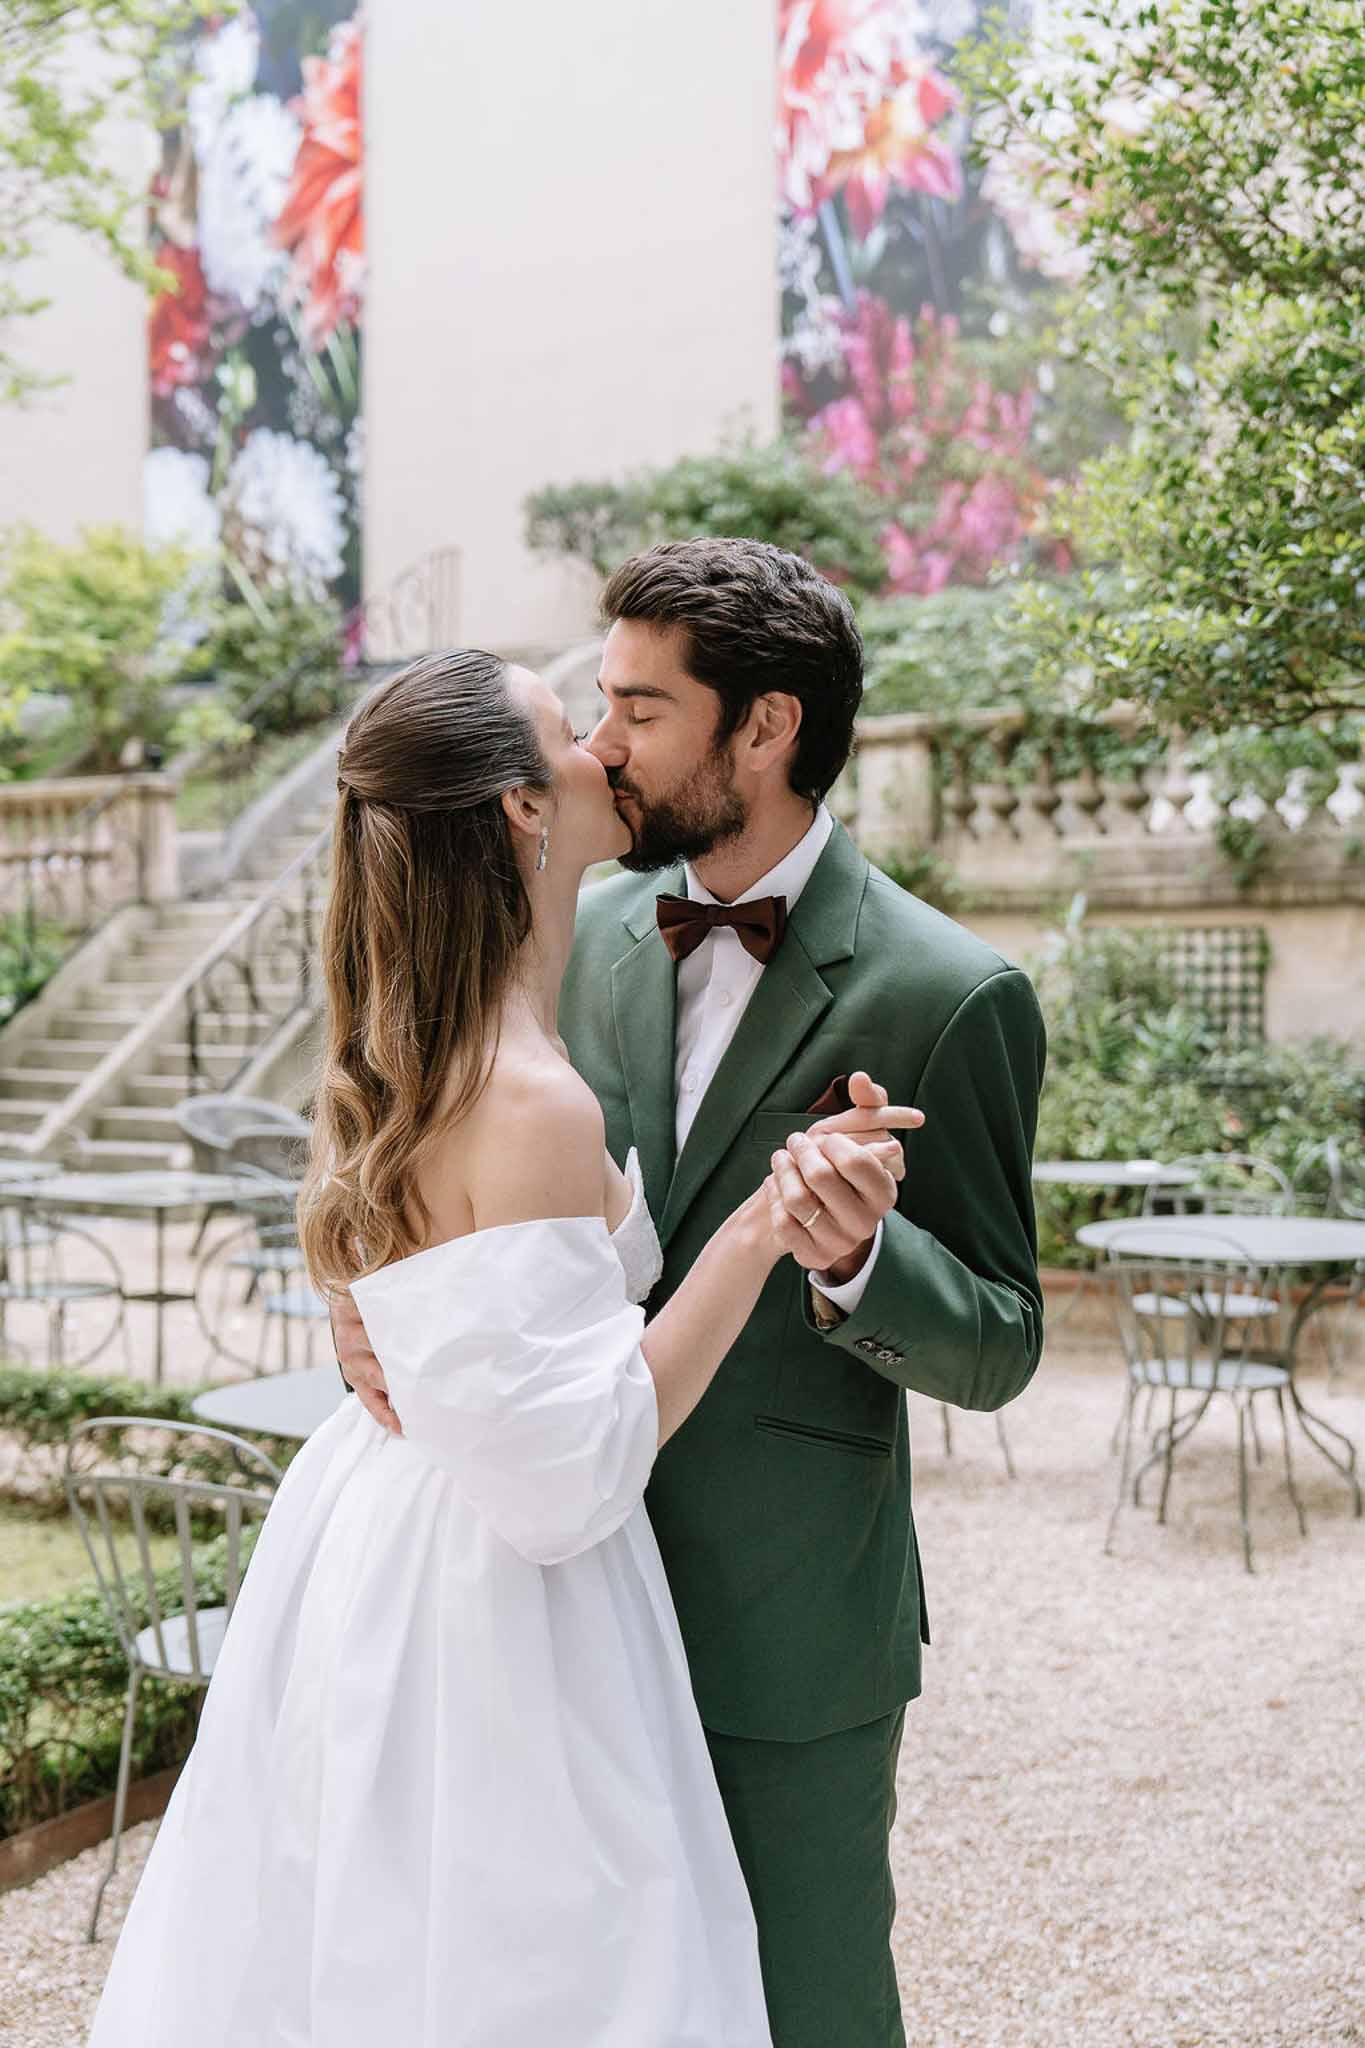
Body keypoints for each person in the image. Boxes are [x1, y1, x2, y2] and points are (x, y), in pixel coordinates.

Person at [86, 646, 916, 2048]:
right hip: (491, 1594)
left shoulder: (421, 1032)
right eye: (569, 727)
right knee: (526, 1962)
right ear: (526, 813)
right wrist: (763, 1226)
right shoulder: (526, 1093)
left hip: (381, 1529)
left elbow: (465, 1300)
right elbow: (564, 1480)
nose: (604, 744)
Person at [340, 537, 1048, 2048]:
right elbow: (442, 1159)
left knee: (806, 2009)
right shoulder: (574, 925)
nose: (601, 744)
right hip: (547, 1619)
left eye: (641, 709)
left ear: (766, 726)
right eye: (596, 703)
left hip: (779, 1626)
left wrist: (859, 1257)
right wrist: (375, 1301)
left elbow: (999, 1344)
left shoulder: (948, 993)